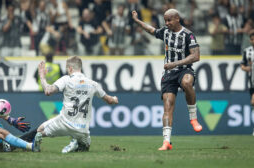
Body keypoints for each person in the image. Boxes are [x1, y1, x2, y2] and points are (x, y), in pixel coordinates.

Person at [132, 9, 202, 151]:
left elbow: (196, 56)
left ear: (177, 19)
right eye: (165, 20)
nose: (167, 23)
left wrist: (174, 64)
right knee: (168, 106)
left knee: (187, 83)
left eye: (169, 20)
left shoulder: (188, 35)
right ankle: (166, 142)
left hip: (184, 69)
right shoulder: (165, 32)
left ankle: (193, 118)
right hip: (169, 74)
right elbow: (151, 30)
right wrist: (137, 21)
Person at [32, 56, 119, 153]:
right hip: (82, 129)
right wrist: (115, 99)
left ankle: (36, 147)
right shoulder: (93, 84)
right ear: (80, 68)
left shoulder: (66, 79)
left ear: (70, 68)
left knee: (40, 131)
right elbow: (110, 101)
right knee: (85, 148)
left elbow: (48, 91)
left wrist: (42, 76)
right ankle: (77, 142)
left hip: (64, 123)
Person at [240, 31, 254, 136]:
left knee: (253, 102)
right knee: (253, 104)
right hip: (252, 82)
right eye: (252, 39)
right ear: (250, 40)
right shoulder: (247, 51)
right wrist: (249, 68)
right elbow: (242, 66)